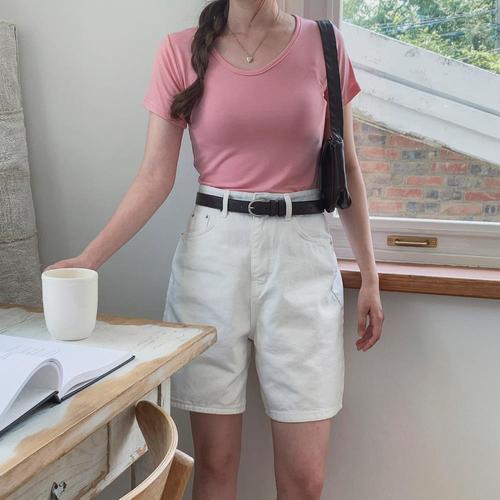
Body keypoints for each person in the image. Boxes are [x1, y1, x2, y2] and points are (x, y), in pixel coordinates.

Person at [45, 0, 384, 498]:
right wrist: (88, 259)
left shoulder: (325, 43)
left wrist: (371, 276)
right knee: (216, 464)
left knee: (305, 479)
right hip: (212, 258)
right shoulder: (179, 50)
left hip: (302, 255)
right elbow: (154, 177)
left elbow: (348, 166)